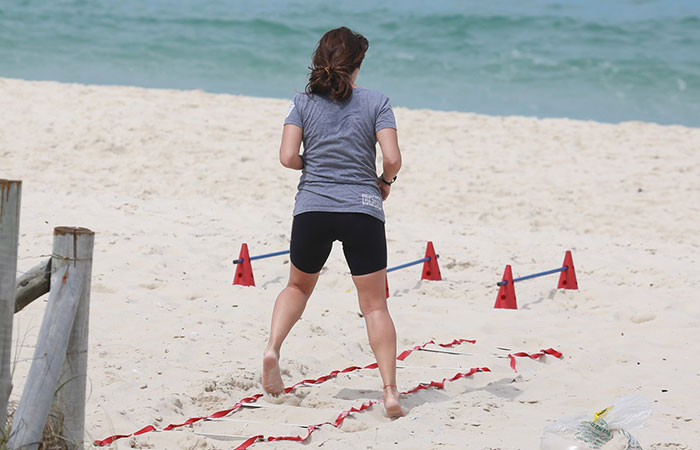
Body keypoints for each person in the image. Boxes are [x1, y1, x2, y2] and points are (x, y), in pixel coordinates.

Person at [261, 26, 404, 418]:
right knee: (375, 305)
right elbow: (391, 158)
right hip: (362, 208)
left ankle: (273, 348)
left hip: (313, 208)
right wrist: (384, 183)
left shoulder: (302, 103)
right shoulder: (378, 102)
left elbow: (288, 157)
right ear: (356, 65)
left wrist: (318, 166)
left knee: (297, 286)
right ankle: (390, 391)